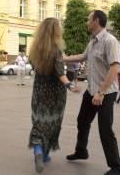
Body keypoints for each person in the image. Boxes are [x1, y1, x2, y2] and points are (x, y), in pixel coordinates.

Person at [63, 10, 120, 175]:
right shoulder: (92, 42)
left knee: (105, 129)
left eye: (88, 19)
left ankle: (117, 167)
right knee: (82, 121)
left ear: (96, 21)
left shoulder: (110, 41)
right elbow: (83, 57)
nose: (86, 22)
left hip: (106, 93)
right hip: (91, 91)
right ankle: (81, 151)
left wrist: (101, 92)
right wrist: (63, 58)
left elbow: (114, 68)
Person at [28, 18, 79, 173]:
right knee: (52, 124)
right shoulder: (56, 50)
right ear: (56, 31)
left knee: (38, 123)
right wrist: (70, 85)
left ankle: (37, 150)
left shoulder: (34, 50)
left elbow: (33, 66)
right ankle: (44, 155)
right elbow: (59, 73)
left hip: (39, 93)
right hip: (55, 95)